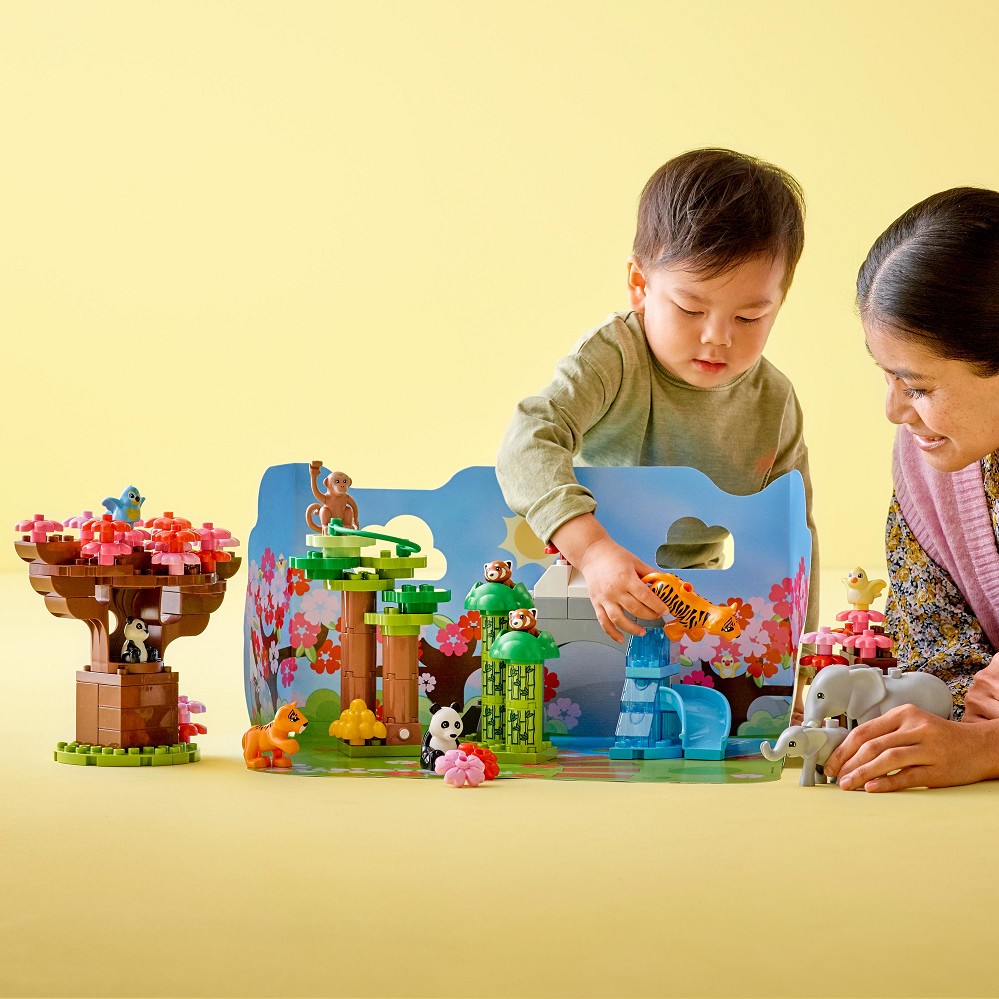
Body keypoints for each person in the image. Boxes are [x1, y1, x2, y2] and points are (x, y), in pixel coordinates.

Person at [496, 148, 819, 642]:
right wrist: (591, 550)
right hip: (597, 584)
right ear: (640, 285)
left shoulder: (774, 399)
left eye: (749, 317)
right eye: (690, 309)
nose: (717, 337)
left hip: (706, 600)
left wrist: (804, 652)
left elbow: (795, 532)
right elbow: (527, 439)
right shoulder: (613, 357)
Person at [825, 187, 999, 792]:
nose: (895, 411)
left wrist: (987, 747)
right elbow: (939, 663)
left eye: (918, 387)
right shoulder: (930, 465)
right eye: (888, 377)